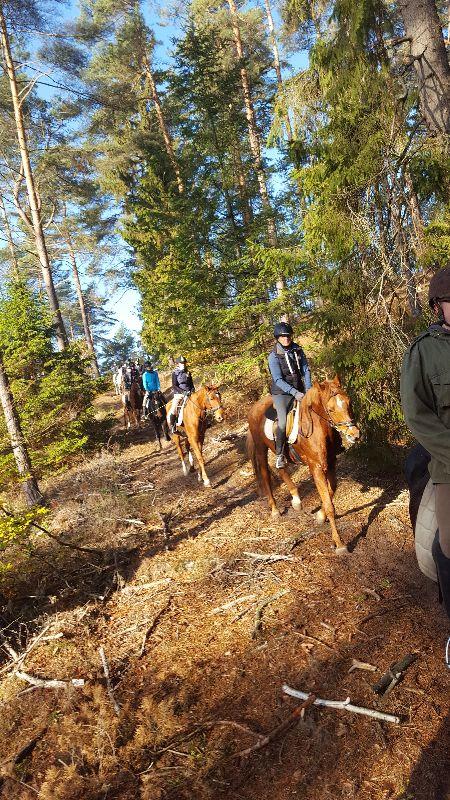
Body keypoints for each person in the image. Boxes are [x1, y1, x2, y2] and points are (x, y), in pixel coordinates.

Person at [400, 265, 450, 666]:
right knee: (447, 544)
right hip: (449, 460)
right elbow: (417, 414)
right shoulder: (423, 351)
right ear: (439, 307)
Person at [268, 321, 312, 469]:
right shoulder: (273, 356)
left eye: (288, 336)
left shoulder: (298, 350)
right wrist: (294, 393)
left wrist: (309, 388)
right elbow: (278, 379)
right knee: (282, 422)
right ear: (277, 338)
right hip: (282, 392)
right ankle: (280, 455)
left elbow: (306, 370)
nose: (286, 338)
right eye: (282, 336)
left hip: (300, 388)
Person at [169, 356, 195, 433]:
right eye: (181, 363)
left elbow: (191, 384)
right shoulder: (175, 373)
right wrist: (183, 392)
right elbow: (174, 385)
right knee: (173, 409)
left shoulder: (188, 372)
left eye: (184, 363)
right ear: (178, 364)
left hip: (189, 393)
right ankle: (173, 426)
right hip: (179, 394)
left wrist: (192, 390)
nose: (183, 364)